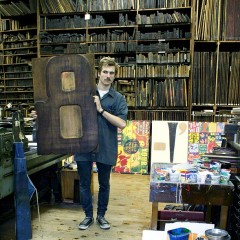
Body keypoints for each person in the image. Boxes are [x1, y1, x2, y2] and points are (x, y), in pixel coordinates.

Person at [74, 57, 128, 230]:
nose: (108, 75)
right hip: (83, 145)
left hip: (106, 146)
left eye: (111, 73)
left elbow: (122, 123)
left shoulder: (118, 98)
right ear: (98, 73)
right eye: (105, 71)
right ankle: (88, 216)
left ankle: (102, 216)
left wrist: (101, 110)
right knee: (84, 183)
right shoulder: (84, 94)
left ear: (115, 76)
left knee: (104, 184)